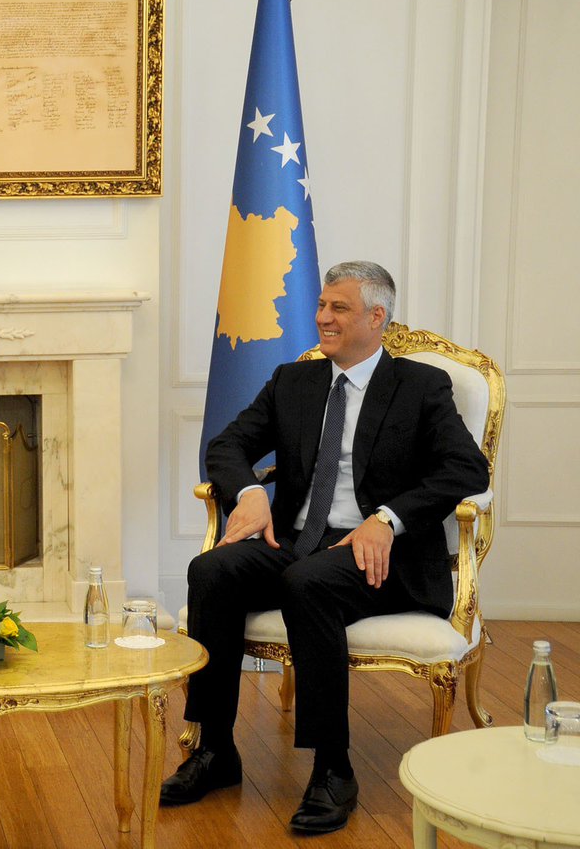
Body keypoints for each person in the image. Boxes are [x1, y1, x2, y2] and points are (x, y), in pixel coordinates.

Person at [163, 262, 489, 834]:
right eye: (321, 306)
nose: (321, 318)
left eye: (337, 308)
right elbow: (228, 444)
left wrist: (387, 519)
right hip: (297, 539)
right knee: (212, 570)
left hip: (381, 558)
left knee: (308, 581)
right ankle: (215, 751)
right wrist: (248, 493)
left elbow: (467, 467)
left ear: (376, 317)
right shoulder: (295, 380)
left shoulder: (419, 387)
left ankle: (333, 769)